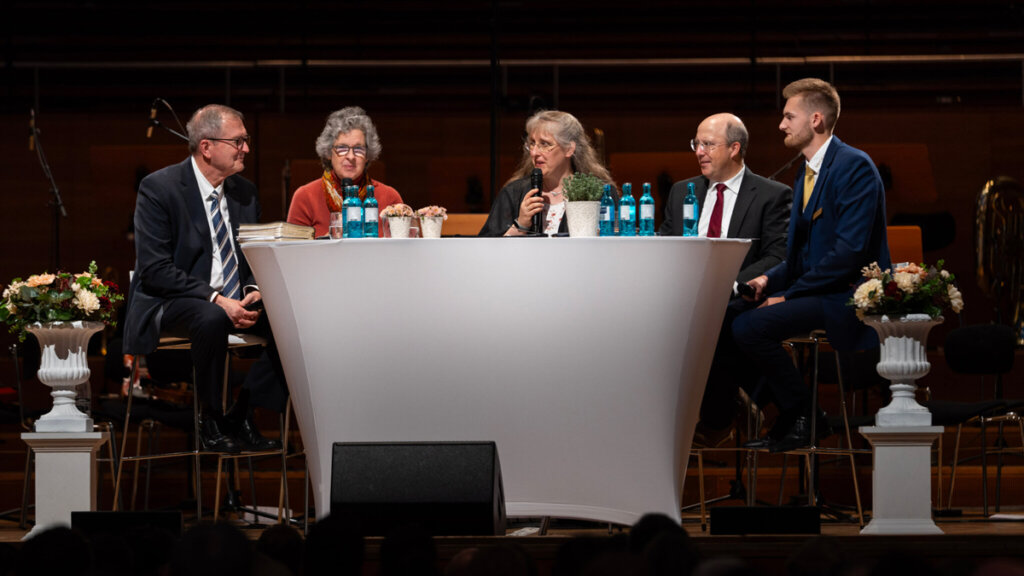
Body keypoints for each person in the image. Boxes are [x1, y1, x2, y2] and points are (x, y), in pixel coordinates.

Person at [733, 78, 890, 453]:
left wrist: (788, 298)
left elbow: (847, 256)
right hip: (817, 289)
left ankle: (804, 414)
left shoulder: (854, 167)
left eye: (789, 116)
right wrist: (767, 281)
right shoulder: (804, 172)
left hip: (845, 296)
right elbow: (800, 257)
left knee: (749, 326)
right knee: (728, 315)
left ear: (816, 120)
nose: (781, 125)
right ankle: (781, 411)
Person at [125, 104, 287, 453]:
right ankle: (209, 417)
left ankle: (244, 410)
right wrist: (217, 299)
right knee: (211, 316)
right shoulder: (158, 189)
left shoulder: (245, 192)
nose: (246, 148)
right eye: (239, 141)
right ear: (207, 147)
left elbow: (249, 258)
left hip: (232, 299)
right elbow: (155, 270)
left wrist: (253, 290)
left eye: (246, 140)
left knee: (294, 318)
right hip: (171, 300)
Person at [659, 113, 792, 447]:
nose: (699, 151)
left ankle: (718, 416)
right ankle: (739, 400)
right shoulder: (681, 192)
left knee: (716, 316)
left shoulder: (771, 195)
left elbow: (778, 256)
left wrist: (726, 284)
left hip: (739, 298)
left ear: (735, 148)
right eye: (696, 144)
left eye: (708, 144)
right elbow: (665, 244)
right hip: (682, 297)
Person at [479, 110, 614, 237]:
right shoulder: (514, 193)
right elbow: (486, 249)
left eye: (545, 144)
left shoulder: (599, 193)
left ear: (569, 149)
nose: (534, 152)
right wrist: (520, 225)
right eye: (532, 144)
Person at [288, 106, 403, 237]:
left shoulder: (389, 198)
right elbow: (293, 253)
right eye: (342, 148)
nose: (351, 156)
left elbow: (402, 251)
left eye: (358, 149)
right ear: (328, 153)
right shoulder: (305, 197)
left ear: (367, 155)